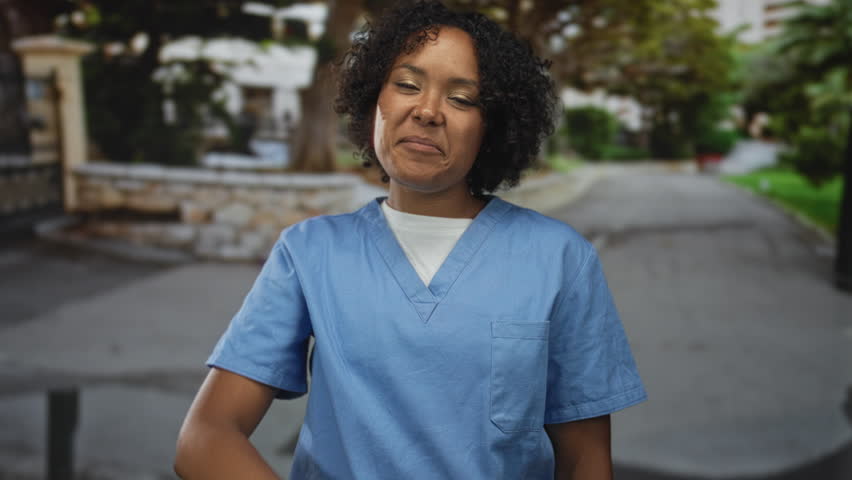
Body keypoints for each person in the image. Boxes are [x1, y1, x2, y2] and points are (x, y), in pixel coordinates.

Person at [174, 1, 646, 478]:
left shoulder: (560, 259)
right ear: (374, 100)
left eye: (462, 99)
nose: (427, 110)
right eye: (406, 84)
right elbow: (206, 436)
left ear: (494, 127)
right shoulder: (309, 252)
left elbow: (586, 461)